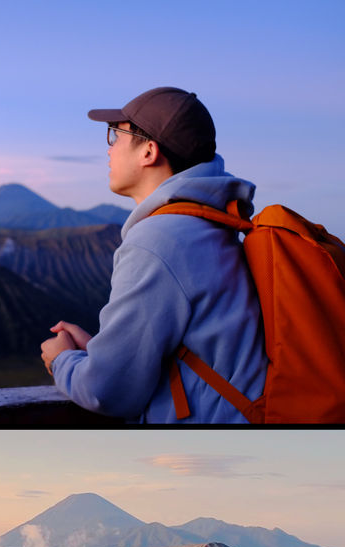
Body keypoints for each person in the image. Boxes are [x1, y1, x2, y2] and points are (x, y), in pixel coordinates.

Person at [40, 86, 267, 423]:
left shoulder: (157, 241)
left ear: (148, 151)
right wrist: (103, 352)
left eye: (115, 135)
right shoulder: (214, 225)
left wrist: (62, 360)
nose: (109, 149)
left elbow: (108, 392)